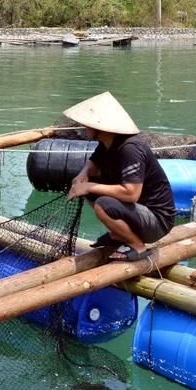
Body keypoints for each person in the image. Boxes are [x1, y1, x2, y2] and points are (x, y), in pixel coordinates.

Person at [64, 91, 176, 262]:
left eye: (88, 125)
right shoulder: (107, 143)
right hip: (137, 212)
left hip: (157, 220)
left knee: (103, 203)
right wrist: (82, 176)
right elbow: (92, 164)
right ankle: (118, 235)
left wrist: (88, 186)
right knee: (90, 190)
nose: (85, 128)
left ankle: (136, 246)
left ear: (99, 126)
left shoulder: (130, 148)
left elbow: (131, 194)